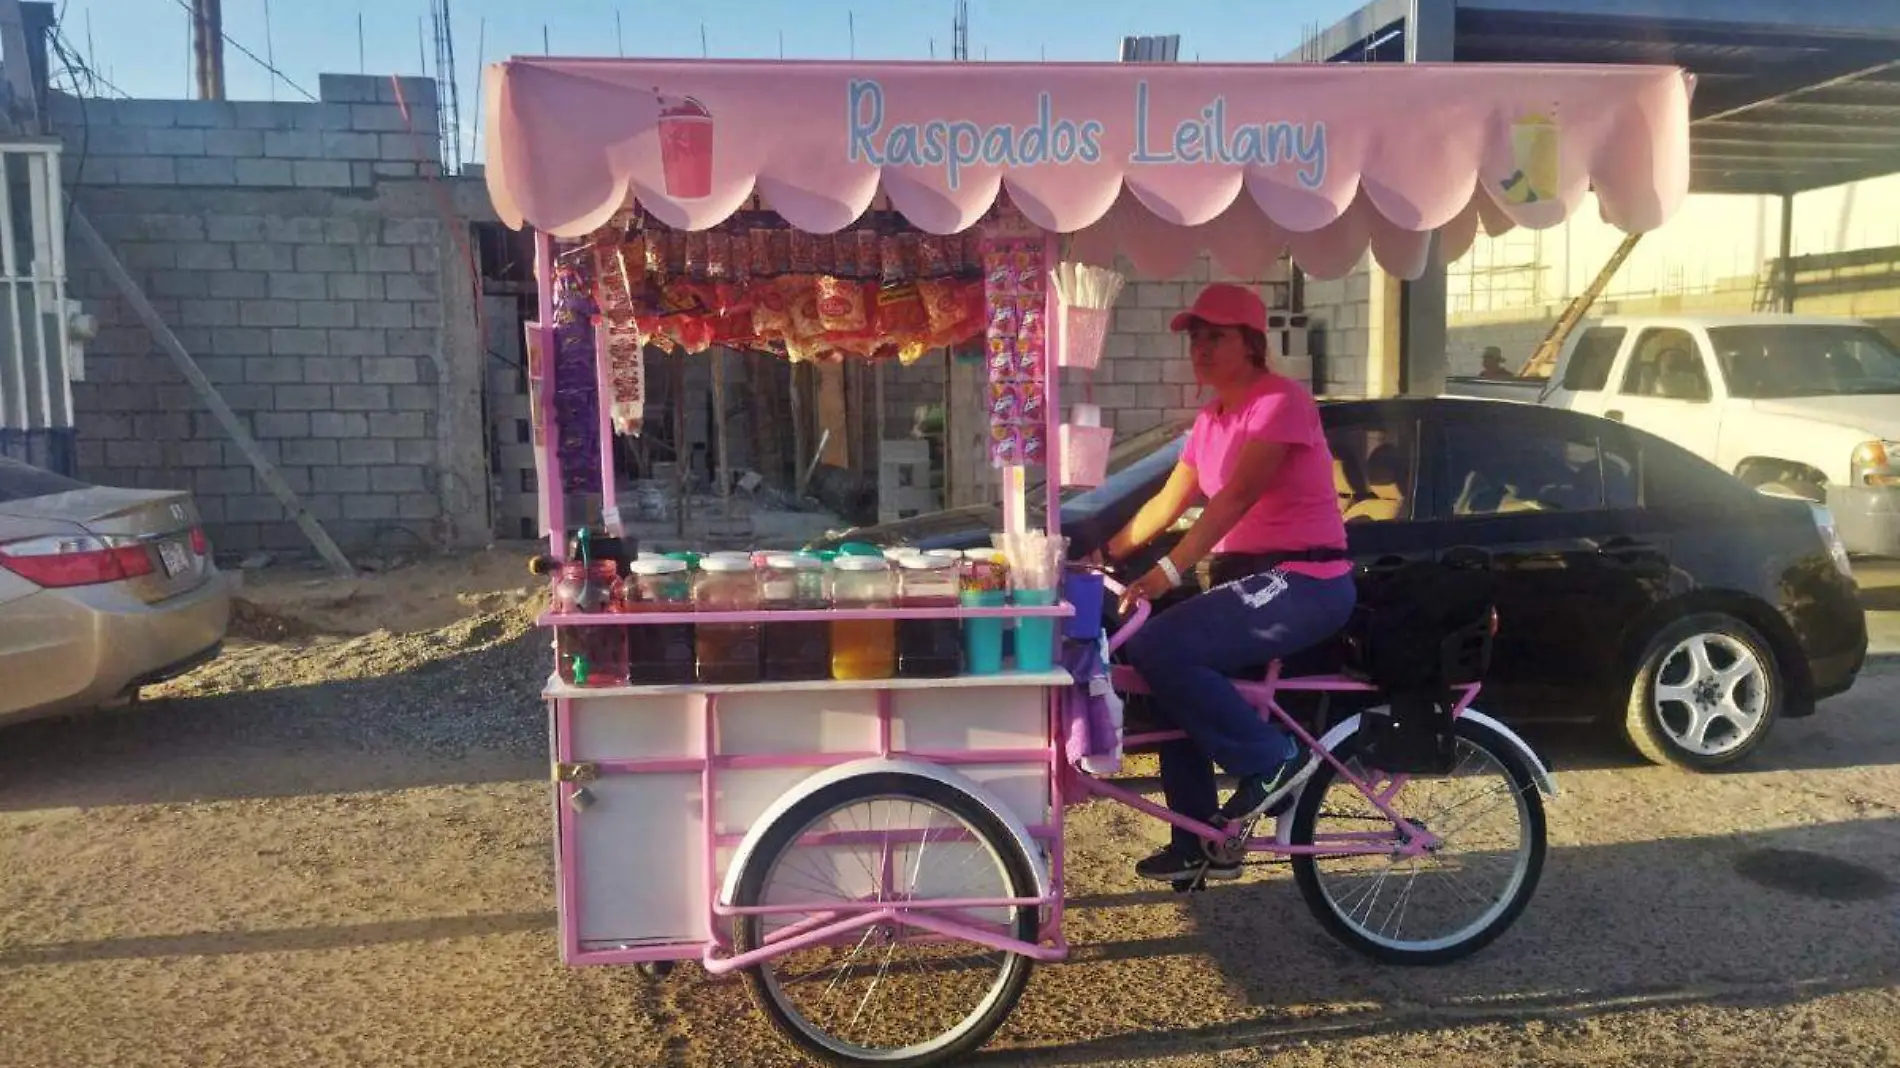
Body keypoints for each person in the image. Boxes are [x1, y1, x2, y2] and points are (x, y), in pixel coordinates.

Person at [1099, 283, 1357, 882]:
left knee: (1163, 644)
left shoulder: (1280, 402)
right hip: (1253, 577)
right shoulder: (1211, 417)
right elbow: (1169, 500)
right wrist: (1100, 551)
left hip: (1306, 578)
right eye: (1195, 337)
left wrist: (1167, 570)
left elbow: (1235, 498)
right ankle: (1198, 837)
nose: (1201, 348)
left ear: (1252, 343)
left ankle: (1271, 760)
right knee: (1160, 670)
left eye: (1216, 336)